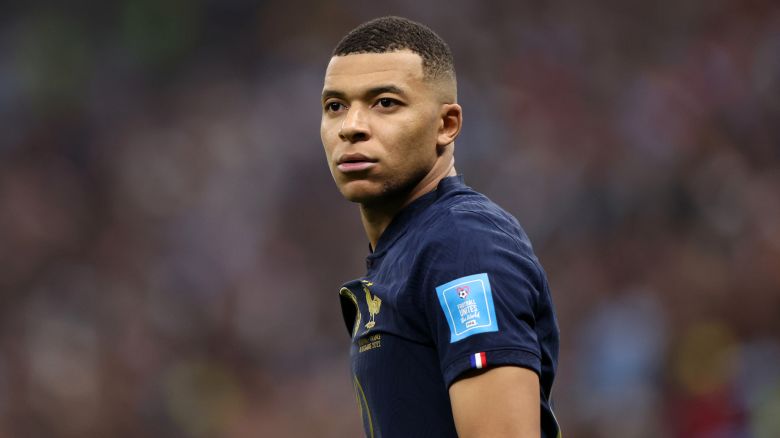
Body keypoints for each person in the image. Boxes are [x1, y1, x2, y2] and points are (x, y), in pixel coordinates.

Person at [320, 16, 560, 438]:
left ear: (446, 125)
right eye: (335, 106)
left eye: (385, 103)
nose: (351, 126)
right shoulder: (408, 252)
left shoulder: (462, 245)